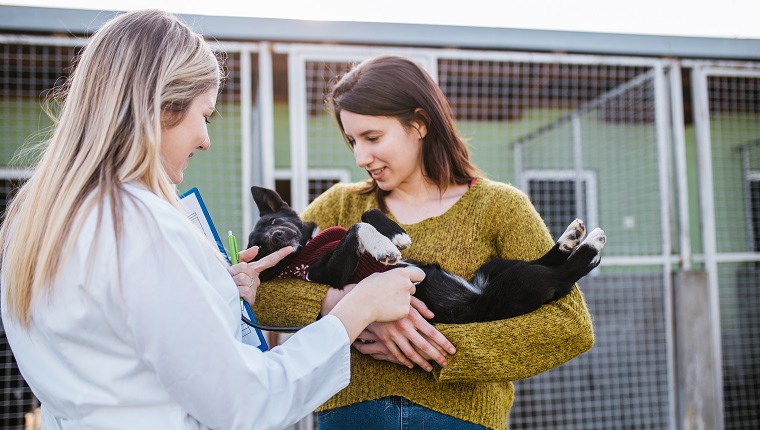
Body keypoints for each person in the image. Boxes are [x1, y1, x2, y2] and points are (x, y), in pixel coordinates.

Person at [0, 11, 423, 430]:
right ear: (161, 107)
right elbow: (243, 403)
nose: (205, 139)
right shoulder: (141, 226)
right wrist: (358, 306)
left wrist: (220, 294)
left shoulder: (35, 220)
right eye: (204, 115)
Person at [252, 55, 595, 430]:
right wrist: (351, 308)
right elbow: (262, 296)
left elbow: (568, 326)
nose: (360, 156)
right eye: (352, 140)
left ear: (418, 124)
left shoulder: (500, 206)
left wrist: (436, 347)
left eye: (372, 137)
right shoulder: (340, 203)